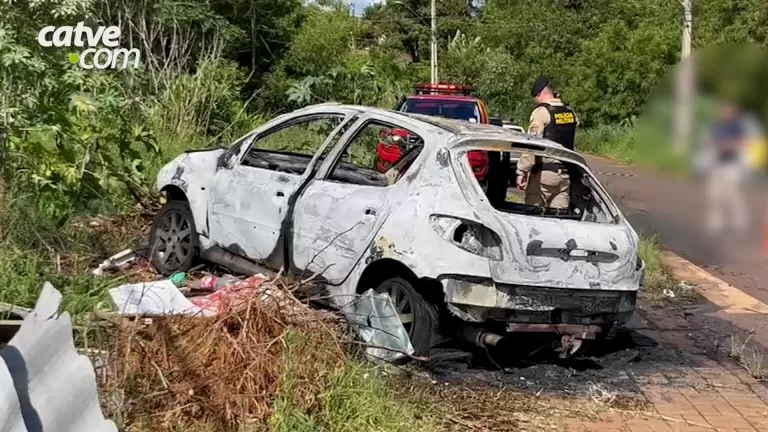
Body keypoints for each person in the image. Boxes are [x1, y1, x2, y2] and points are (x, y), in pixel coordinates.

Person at [516, 77, 579, 210]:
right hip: (565, 176)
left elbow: (531, 145)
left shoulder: (541, 113)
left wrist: (521, 171)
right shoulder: (570, 112)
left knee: (534, 217)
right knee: (559, 219)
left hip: (544, 176)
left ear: (539, 93)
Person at [706, 101, 749, 237]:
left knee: (733, 195)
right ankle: (715, 226)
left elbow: (742, 142)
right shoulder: (717, 126)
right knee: (715, 196)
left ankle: (740, 225)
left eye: (728, 111)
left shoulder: (736, 127)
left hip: (732, 165)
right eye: (724, 111)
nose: (725, 113)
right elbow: (710, 141)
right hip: (717, 164)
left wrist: (727, 145)